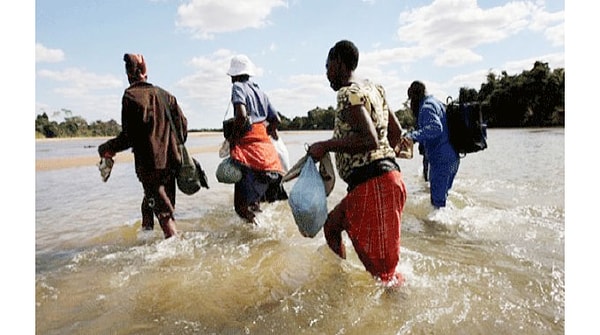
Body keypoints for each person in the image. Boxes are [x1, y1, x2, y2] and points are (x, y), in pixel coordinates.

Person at [307, 40, 408, 286]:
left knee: (385, 279)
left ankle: (399, 314)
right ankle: (339, 282)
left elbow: (369, 139)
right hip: (383, 181)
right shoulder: (375, 89)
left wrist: (326, 146)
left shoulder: (347, 93)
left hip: (375, 185)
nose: (326, 72)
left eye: (328, 65)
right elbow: (396, 134)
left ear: (340, 63)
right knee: (331, 226)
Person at [98, 53, 188, 239]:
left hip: (150, 167)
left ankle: (177, 256)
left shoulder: (130, 96)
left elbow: (128, 137)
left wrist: (107, 148)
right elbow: (183, 130)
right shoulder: (167, 96)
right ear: (145, 71)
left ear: (128, 74)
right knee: (151, 203)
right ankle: (146, 239)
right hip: (171, 164)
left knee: (165, 216)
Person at [226, 54, 288, 224]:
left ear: (234, 75)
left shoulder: (238, 87)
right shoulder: (261, 92)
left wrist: (233, 138)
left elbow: (241, 115)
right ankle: (261, 235)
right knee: (255, 205)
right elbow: (276, 120)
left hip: (249, 155)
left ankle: (256, 230)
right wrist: (263, 134)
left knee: (241, 208)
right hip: (269, 155)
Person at [404, 80, 459, 208]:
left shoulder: (426, 107)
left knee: (437, 205)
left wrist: (412, 136)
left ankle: (437, 228)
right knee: (441, 202)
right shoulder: (437, 103)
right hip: (452, 157)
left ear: (415, 97)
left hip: (441, 160)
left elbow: (436, 128)